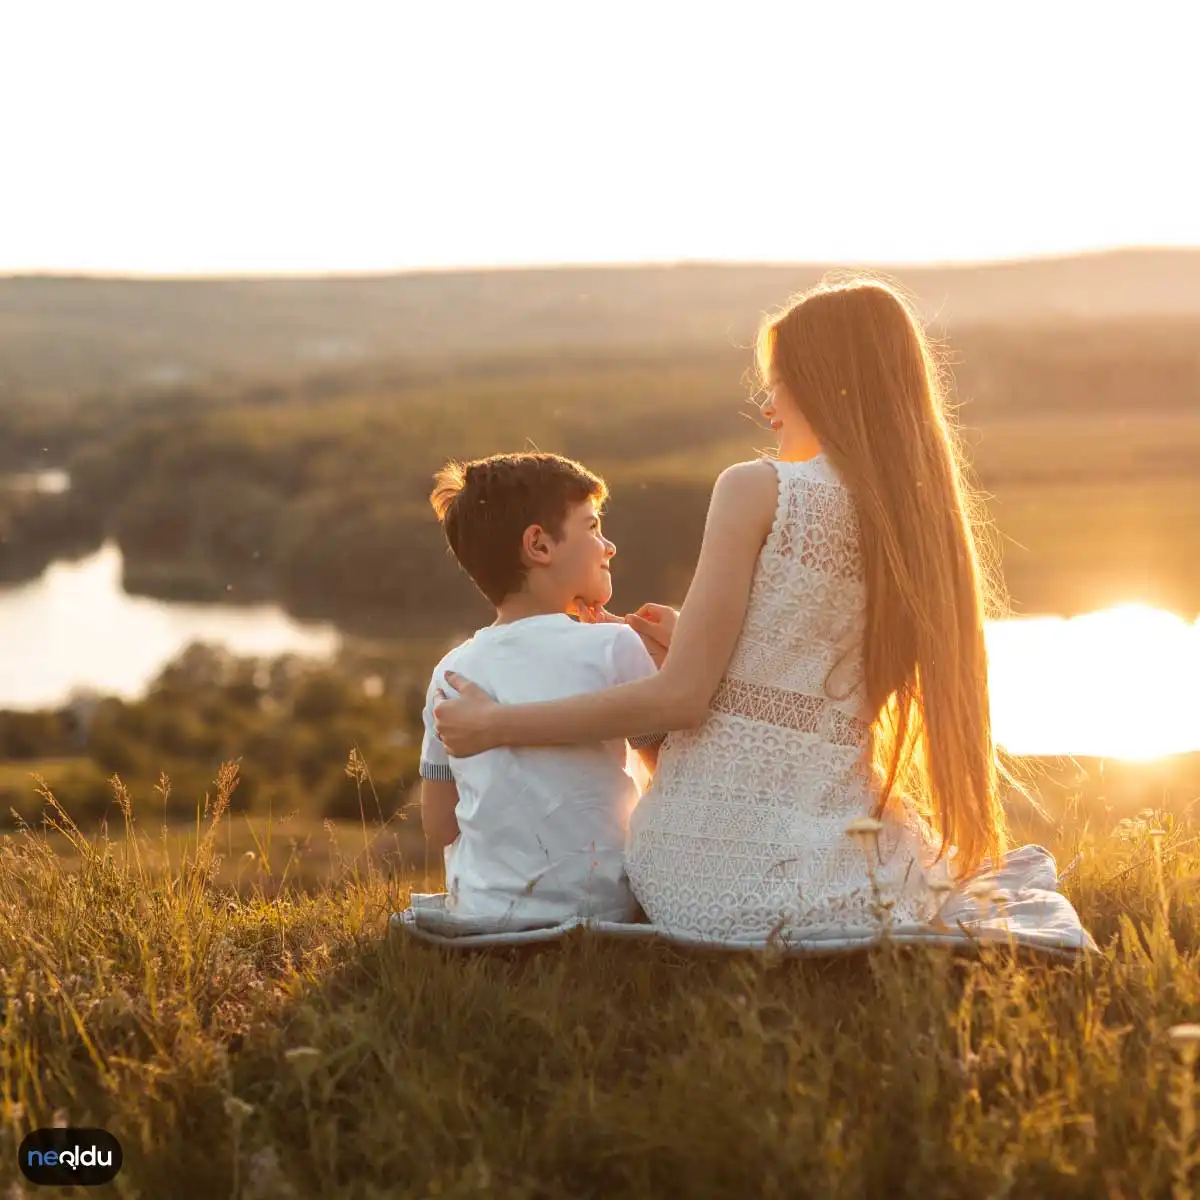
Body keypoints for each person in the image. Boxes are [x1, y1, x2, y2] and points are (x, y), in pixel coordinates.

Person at [432, 276, 1013, 940]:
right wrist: (699, 643)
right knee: (921, 865)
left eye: (779, 378)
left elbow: (682, 702)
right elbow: (807, 684)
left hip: (701, 869)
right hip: (841, 855)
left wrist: (496, 724)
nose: (768, 402)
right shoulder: (918, 522)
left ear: (824, 380)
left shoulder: (756, 487)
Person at [419, 451, 663, 926]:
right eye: (593, 528)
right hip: (603, 911)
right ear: (539, 545)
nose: (608, 546)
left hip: (484, 914)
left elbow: (439, 825)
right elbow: (671, 780)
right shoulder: (616, 646)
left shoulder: (450, 673)